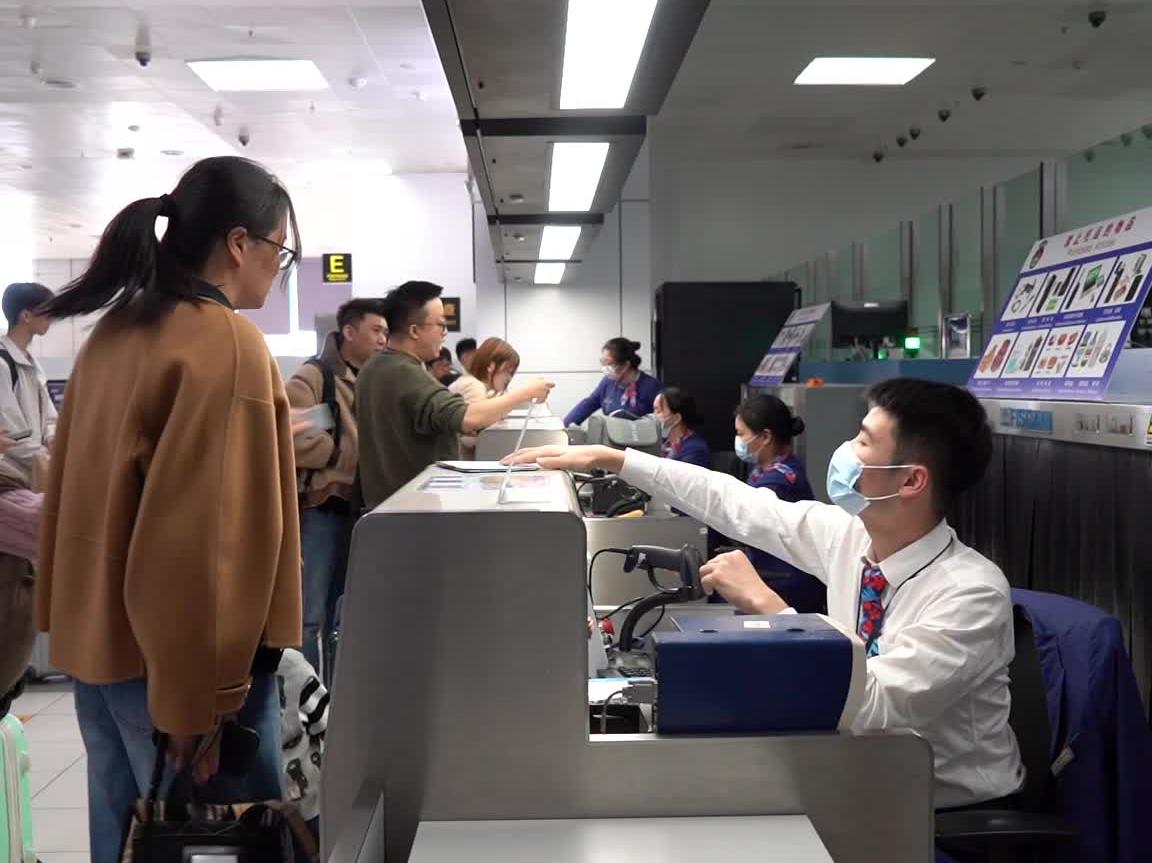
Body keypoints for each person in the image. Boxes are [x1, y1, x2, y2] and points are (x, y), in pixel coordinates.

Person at [507, 379, 1023, 809]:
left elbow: (872, 707)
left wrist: (773, 610)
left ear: (910, 481)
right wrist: (617, 461)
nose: (846, 451)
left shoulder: (970, 594)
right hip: (861, 780)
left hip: (944, 816)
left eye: (863, 442)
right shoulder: (852, 536)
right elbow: (738, 504)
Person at [35, 156, 304, 863]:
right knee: (215, 842)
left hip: (100, 651)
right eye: (279, 250)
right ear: (239, 243)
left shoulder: (117, 330)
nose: (277, 269)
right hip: (185, 675)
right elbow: (206, 544)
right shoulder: (226, 345)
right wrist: (200, 702)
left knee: (126, 840)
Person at [357, 281, 554, 509]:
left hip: (387, 505)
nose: (445, 333)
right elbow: (468, 418)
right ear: (414, 331)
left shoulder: (373, 367)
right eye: (441, 325)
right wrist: (526, 392)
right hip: (413, 508)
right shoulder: (403, 371)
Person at [287, 298, 387, 678]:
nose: (382, 339)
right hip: (321, 509)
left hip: (356, 511)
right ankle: (306, 698)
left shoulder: (371, 379)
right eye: (375, 330)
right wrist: (336, 453)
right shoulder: (316, 375)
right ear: (349, 331)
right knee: (308, 615)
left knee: (339, 615)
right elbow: (289, 433)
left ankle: (334, 697)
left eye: (385, 332)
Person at [721, 394, 825, 613]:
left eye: (741, 434)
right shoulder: (766, 468)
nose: (738, 440)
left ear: (765, 437)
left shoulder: (778, 481)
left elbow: (745, 519)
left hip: (786, 584)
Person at [0, 282, 57, 485]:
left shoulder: (33, 365)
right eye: (48, 310)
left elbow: (50, 417)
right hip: (10, 477)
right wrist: (50, 459)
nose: (52, 317)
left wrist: (52, 438)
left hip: (34, 473)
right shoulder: (2, 364)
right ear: (26, 315)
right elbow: (13, 435)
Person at [563, 337, 661, 426]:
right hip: (613, 437)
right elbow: (588, 404)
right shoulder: (607, 383)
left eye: (608, 363)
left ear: (625, 365)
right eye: (603, 362)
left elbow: (663, 421)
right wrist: (564, 426)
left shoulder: (652, 387)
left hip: (642, 438)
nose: (605, 367)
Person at [449, 337, 521, 458]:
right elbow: (469, 437)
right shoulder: (474, 386)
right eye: (508, 371)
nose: (509, 378)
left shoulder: (476, 384)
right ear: (491, 366)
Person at [653, 387, 711, 468]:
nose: (653, 416)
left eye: (658, 411)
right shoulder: (664, 444)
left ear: (676, 418)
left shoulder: (695, 450)